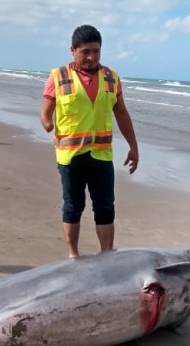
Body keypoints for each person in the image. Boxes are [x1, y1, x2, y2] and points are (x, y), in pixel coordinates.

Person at [40, 24, 139, 258]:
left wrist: (133, 146)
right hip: (71, 155)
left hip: (101, 155)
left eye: (96, 51)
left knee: (105, 206)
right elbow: (45, 110)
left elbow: (122, 113)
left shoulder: (111, 78)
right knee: (73, 206)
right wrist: (46, 122)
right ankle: (73, 255)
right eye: (85, 52)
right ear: (73, 50)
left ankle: (106, 255)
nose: (91, 57)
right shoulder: (58, 77)